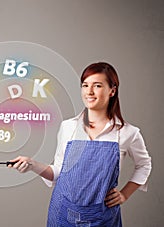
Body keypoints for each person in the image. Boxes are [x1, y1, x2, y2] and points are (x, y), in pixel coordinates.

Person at [8, 62, 152, 227]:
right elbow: (59, 173)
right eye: (85, 85)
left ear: (112, 90)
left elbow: (144, 164)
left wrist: (125, 194)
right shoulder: (68, 127)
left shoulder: (127, 133)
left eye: (97, 85)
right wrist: (32, 164)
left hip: (102, 217)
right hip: (61, 213)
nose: (89, 92)